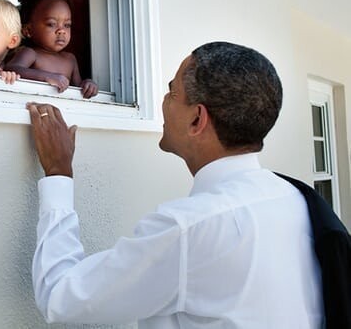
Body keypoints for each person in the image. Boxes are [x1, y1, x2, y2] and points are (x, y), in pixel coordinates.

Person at [26, 42, 323, 328]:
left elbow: (60, 295)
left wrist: (57, 172)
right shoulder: (295, 198)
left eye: (172, 91)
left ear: (197, 119)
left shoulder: (189, 228)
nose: (164, 101)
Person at [5, 0, 98, 98]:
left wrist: (88, 85)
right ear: (28, 30)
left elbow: (78, 90)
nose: (61, 31)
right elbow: (11, 69)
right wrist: (46, 77)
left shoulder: (70, 59)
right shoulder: (31, 53)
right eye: (51, 24)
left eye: (67, 25)